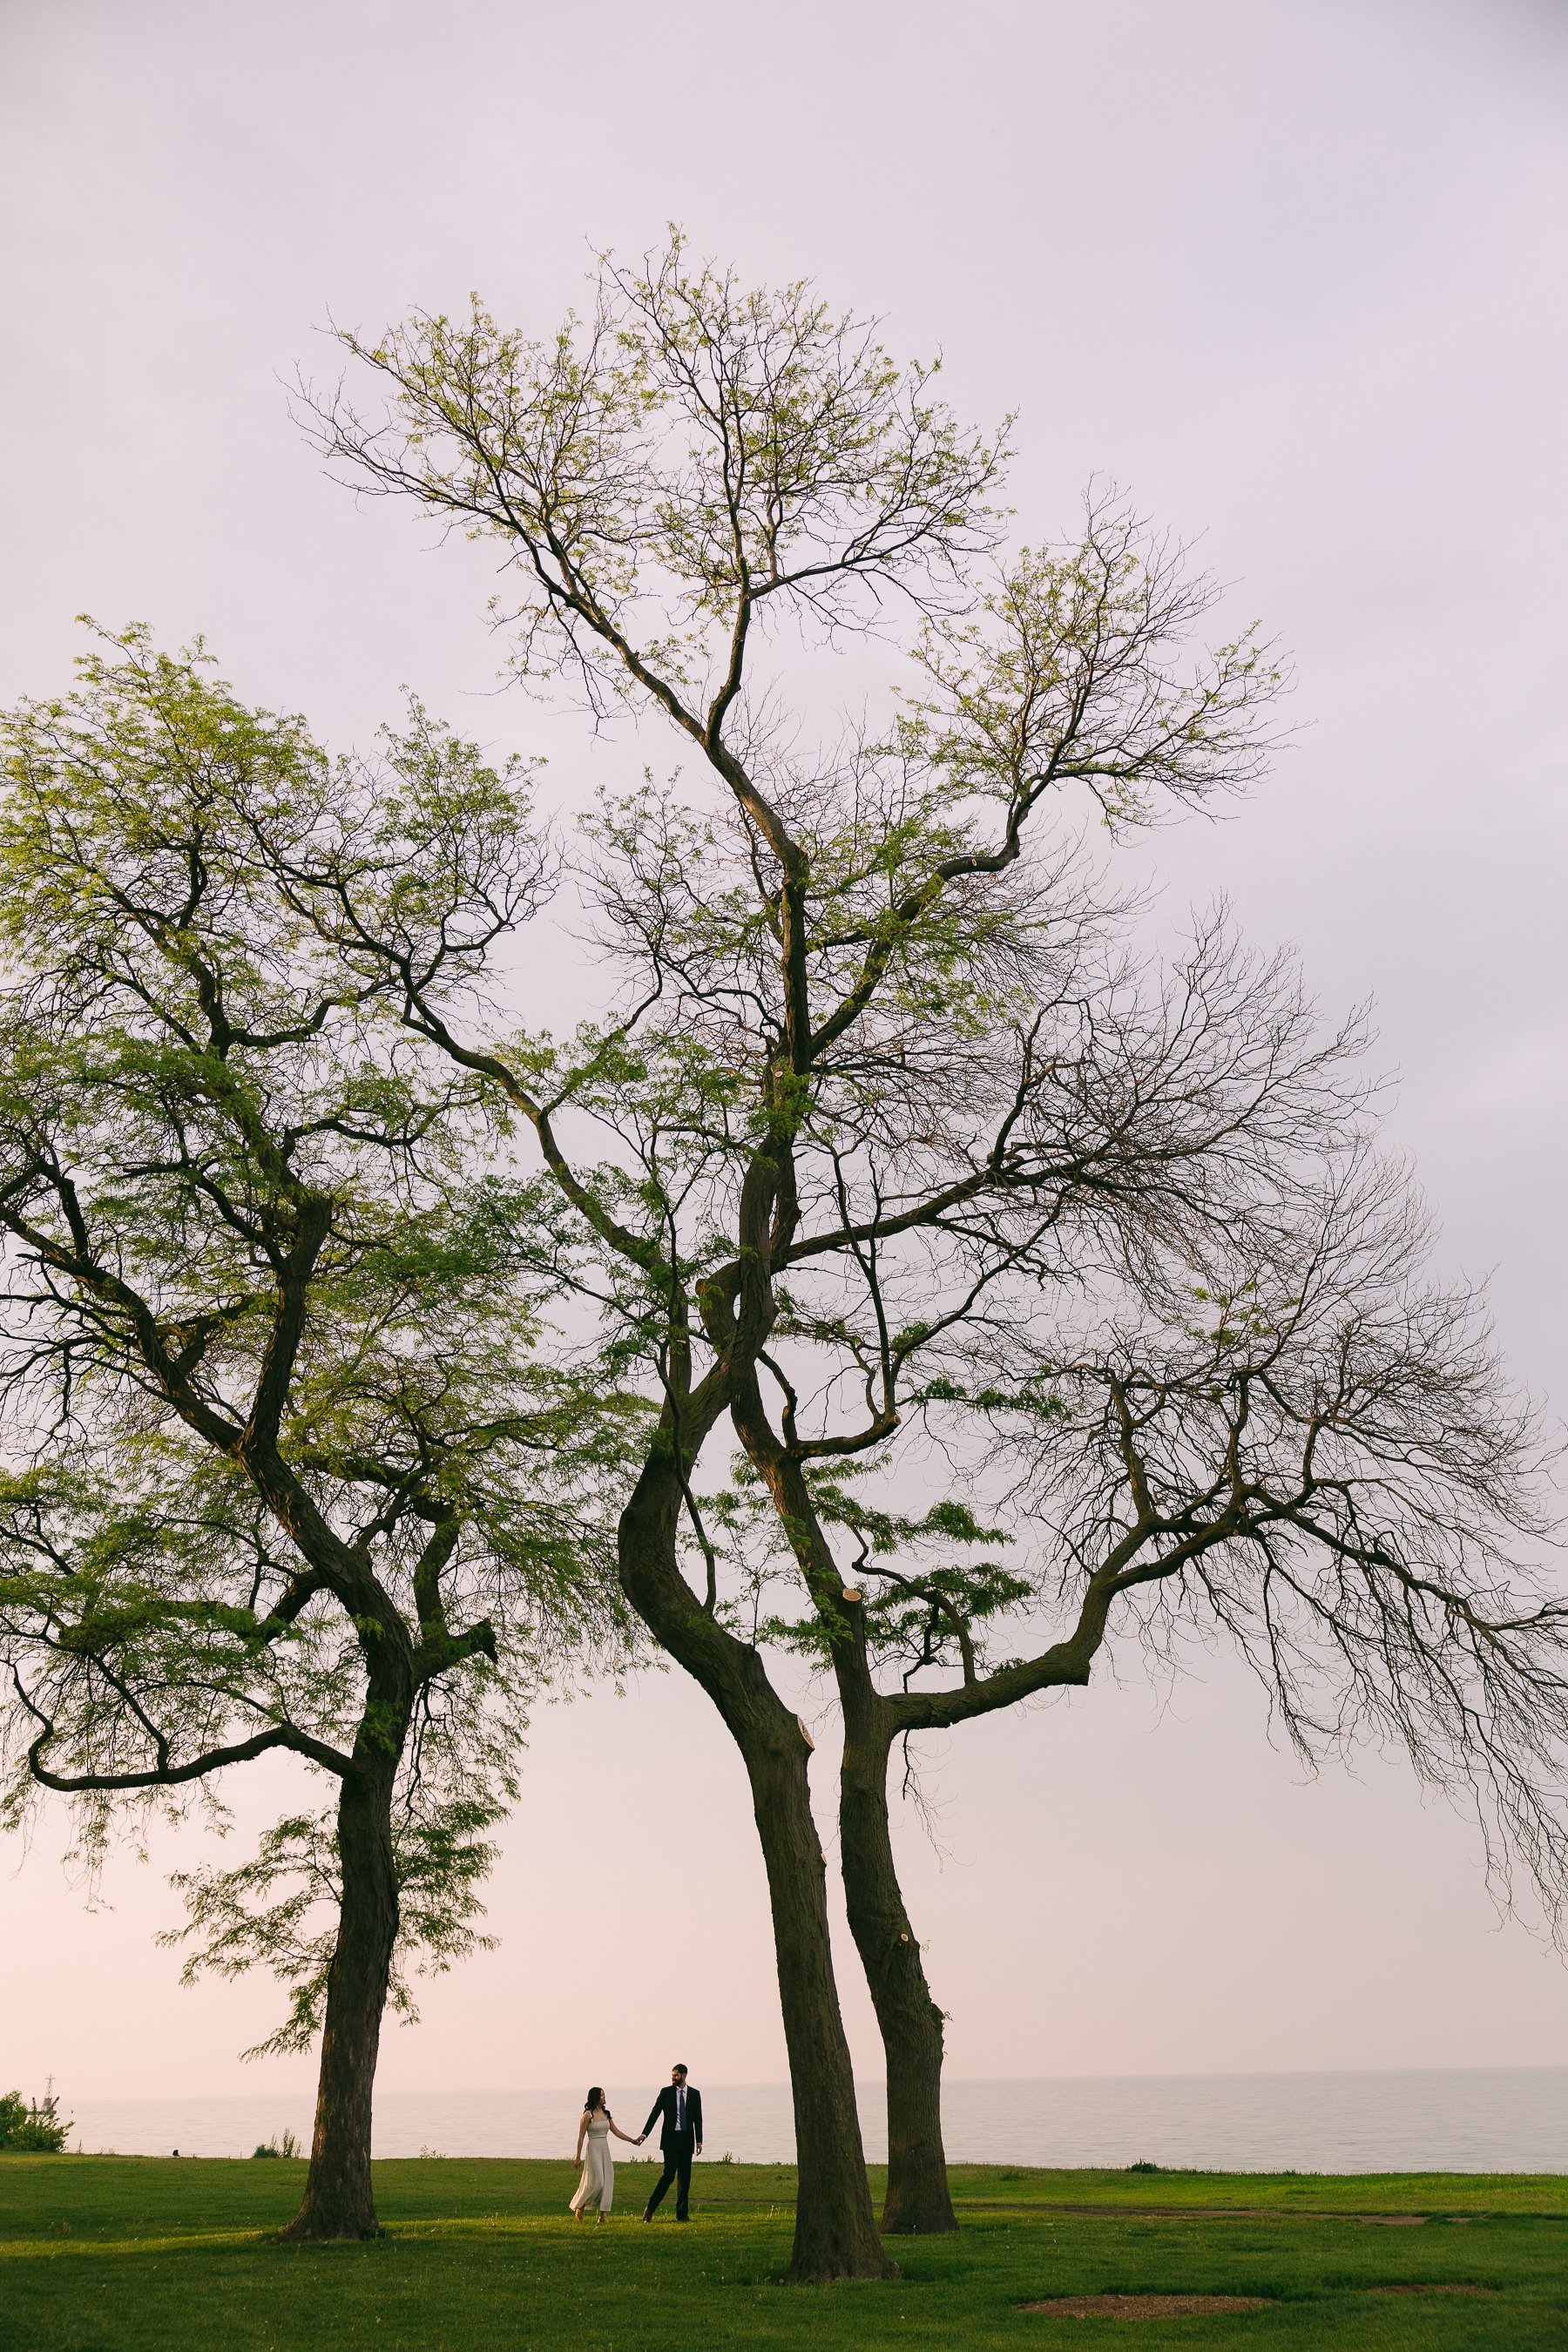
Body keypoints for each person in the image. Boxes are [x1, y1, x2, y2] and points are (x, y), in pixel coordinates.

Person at [637, 2064, 703, 2221]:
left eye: (676, 2075)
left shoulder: (695, 2094)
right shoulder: (666, 2093)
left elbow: (698, 2119)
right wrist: (644, 2134)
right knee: (668, 2175)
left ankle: (682, 2215)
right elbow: (655, 2114)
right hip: (671, 2140)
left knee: (685, 2178)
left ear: (684, 2075)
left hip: (687, 2140)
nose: (673, 2078)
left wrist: (699, 2141)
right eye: (672, 2075)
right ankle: (650, 2208)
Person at [570, 2086, 638, 2221]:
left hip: (604, 2149)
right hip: (593, 2148)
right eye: (602, 2095)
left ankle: (603, 2215)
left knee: (607, 2180)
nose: (604, 2097)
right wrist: (578, 2157)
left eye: (604, 2095)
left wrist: (632, 2140)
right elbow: (581, 2137)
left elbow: (616, 2131)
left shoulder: (607, 2114)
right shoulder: (587, 2115)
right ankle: (580, 2205)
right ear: (595, 2097)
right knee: (597, 2182)